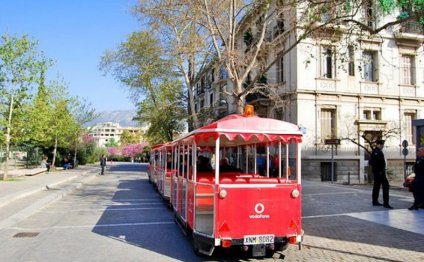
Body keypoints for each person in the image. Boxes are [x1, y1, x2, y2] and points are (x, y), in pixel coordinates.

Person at [369, 139, 393, 209]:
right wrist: (379, 171)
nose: (382, 146)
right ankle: (386, 203)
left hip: (378, 172)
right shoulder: (376, 152)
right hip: (379, 173)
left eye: (383, 145)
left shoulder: (377, 151)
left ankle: (375, 201)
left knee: (376, 187)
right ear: (378, 144)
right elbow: (373, 163)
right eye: (381, 144)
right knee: (386, 186)